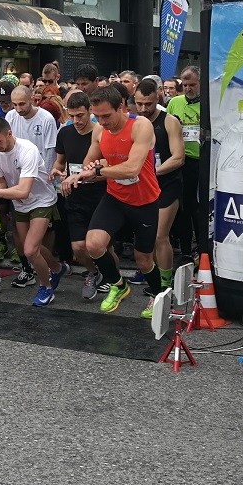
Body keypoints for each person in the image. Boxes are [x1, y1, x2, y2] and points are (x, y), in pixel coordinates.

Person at [64, 86, 161, 314]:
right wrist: (82, 174)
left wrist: (98, 170)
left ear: (121, 108)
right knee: (93, 245)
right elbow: (88, 163)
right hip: (115, 197)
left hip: (144, 200)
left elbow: (132, 169)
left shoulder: (140, 126)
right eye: (97, 116)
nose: (102, 121)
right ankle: (118, 285)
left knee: (143, 260)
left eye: (106, 115)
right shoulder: (99, 130)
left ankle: (158, 295)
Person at [0, 116, 60, 306]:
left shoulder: (27, 150)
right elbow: (0, 181)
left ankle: (46, 287)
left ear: (9, 134)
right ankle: (57, 268)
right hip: (20, 203)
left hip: (41, 200)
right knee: (29, 247)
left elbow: (24, 190)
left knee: (30, 250)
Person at [133, 78, 185, 317]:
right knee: (146, 238)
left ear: (158, 98)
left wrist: (153, 172)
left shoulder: (169, 121)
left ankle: (164, 287)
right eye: (139, 104)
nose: (143, 108)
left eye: (148, 104)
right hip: (142, 187)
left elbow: (178, 157)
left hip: (167, 184)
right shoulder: (133, 122)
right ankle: (156, 283)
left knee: (159, 236)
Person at [51, 92, 106, 300]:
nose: (76, 121)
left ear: (90, 111)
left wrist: (88, 175)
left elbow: (108, 167)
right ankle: (93, 272)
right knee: (78, 246)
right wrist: (55, 171)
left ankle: (114, 279)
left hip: (100, 196)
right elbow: (60, 161)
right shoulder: (65, 133)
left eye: (80, 115)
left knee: (104, 246)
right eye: (72, 116)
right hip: (74, 197)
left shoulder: (100, 133)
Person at [166, 65, 205, 258]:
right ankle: (186, 249)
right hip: (183, 161)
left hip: (203, 160)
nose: (188, 88)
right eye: (185, 85)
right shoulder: (175, 103)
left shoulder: (207, 104)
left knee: (200, 208)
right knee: (184, 208)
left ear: (201, 83)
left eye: (192, 85)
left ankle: (203, 247)